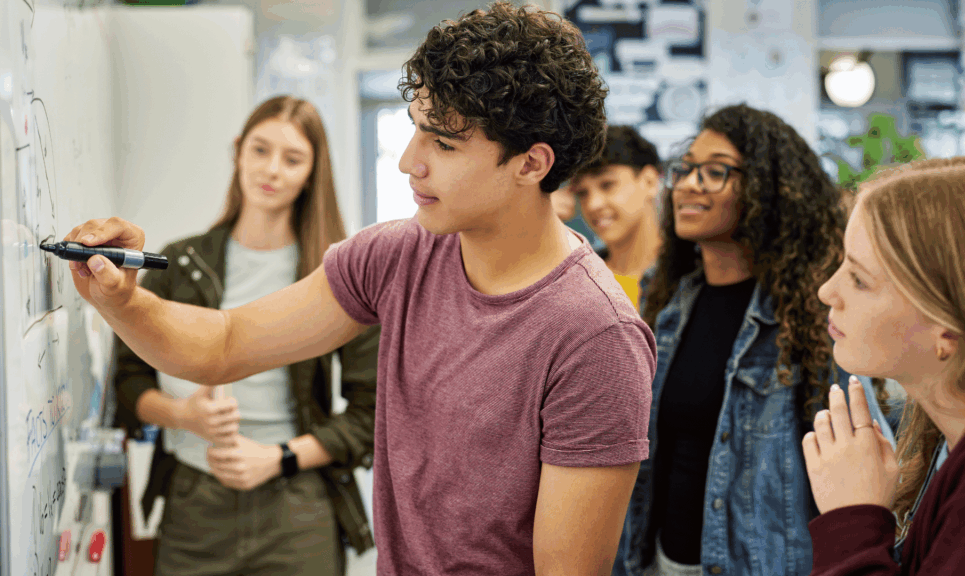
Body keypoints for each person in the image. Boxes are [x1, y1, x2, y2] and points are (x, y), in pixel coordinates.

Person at [69, 3, 656, 575]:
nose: (408, 162)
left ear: (531, 165)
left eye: (443, 144)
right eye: (415, 132)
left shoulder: (597, 336)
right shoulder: (395, 255)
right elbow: (224, 344)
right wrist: (122, 298)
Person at [613, 104, 891, 576]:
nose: (689, 184)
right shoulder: (668, 304)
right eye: (685, 170)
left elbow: (865, 465)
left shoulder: (811, 315)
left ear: (767, 189)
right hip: (659, 563)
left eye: (716, 172)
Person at [112, 95, 381, 576]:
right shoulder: (180, 263)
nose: (272, 169)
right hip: (193, 503)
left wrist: (278, 457)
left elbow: (371, 413)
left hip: (297, 506)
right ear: (237, 151)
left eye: (292, 158)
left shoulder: (338, 274)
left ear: (312, 172)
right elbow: (128, 382)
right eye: (260, 150)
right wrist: (183, 416)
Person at [804, 162, 965, 575]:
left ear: (943, 330)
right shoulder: (942, 441)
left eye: (859, 279)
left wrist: (851, 518)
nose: (827, 291)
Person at [568, 125, 661, 308]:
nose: (592, 204)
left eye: (607, 184)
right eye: (582, 193)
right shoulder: (576, 281)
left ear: (649, 181)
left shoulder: (693, 276)